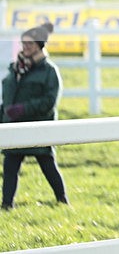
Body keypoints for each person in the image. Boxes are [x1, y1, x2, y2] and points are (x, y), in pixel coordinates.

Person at [1, 22, 69, 209]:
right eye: (24, 43)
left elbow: (49, 101)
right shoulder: (14, 69)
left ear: (40, 45)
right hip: (13, 126)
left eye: (30, 44)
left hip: (39, 126)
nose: (25, 47)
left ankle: (62, 201)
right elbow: (6, 97)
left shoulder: (49, 72)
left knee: (47, 165)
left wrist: (23, 109)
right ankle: (7, 205)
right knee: (10, 167)